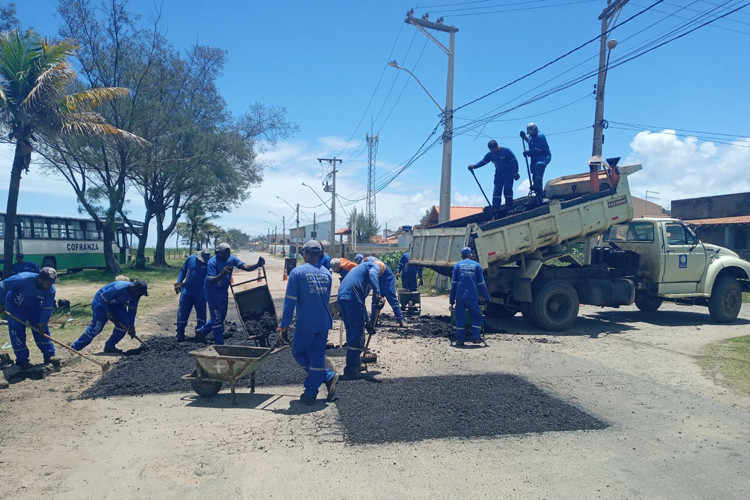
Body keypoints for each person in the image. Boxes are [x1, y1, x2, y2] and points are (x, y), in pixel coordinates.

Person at [278, 240, 338, 405]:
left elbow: (290, 301)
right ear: (319, 254)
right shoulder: (327, 273)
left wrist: (284, 324)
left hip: (306, 324)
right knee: (317, 357)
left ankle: (322, 378)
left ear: (304, 253)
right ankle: (313, 391)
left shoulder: (297, 273)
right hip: (323, 322)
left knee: (298, 353)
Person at [197, 242, 264, 345]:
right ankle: (219, 343)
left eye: (228, 254)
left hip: (223, 291)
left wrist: (257, 264)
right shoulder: (212, 262)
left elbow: (245, 267)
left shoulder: (232, 259)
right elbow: (211, 280)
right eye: (224, 254)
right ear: (218, 252)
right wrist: (222, 274)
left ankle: (202, 331)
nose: (226, 256)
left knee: (222, 315)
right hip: (212, 292)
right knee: (217, 317)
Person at [0, 267, 58, 369]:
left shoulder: (50, 290)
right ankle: (22, 361)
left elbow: (47, 308)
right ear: (40, 279)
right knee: (17, 333)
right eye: (48, 283)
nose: (50, 286)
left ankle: (49, 355)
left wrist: (43, 323)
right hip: (15, 308)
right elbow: (2, 286)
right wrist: (1, 303)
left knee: (42, 331)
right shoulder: (22, 279)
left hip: (35, 309)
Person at [71, 279, 149, 354]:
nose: (140, 295)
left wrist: (131, 326)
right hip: (101, 303)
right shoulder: (118, 288)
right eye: (141, 293)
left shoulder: (136, 295)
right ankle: (75, 348)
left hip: (116, 304)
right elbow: (103, 298)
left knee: (125, 321)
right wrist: (108, 312)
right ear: (135, 289)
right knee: (96, 328)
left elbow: (132, 310)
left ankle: (110, 346)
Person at [337, 260, 382, 379]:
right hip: (352, 298)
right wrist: (378, 293)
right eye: (380, 275)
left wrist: (367, 322)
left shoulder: (360, 276)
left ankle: (355, 363)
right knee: (357, 334)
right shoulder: (373, 267)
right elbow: (373, 274)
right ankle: (351, 369)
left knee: (352, 332)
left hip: (344, 298)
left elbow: (361, 303)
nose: (378, 277)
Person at [449, 247, 491, 347]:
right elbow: (481, 284)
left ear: (462, 256)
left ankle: (460, 339)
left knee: (460, 317)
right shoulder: (477, 266)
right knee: (476, 315)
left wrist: (451, 299)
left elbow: (453, 284)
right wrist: (487, 297)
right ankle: (475, 337)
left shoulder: (457, 266)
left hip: (460, 296)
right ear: (471, 255)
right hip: (472, 296)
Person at [468, 139, 520, 217]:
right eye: (491, 150)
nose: (493, 151)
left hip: (508, 173)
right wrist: (474, 166)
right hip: (498, 174)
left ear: (496, 146)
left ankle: (509, 206)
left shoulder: (506, 151)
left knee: (507, 189)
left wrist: (515, 172)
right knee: (496, 191)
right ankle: (496, 208)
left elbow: (514, 161)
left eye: (494, 149)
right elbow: (483, 162)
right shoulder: (490, 154)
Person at [174, 248, 211, 341]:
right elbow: (183, 271)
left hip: (201, 293)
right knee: (183, 312)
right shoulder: (190, 259)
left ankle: (200, 333)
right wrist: (178, 282)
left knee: (201, 314)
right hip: (187, 291)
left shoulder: (210, 264)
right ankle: (180, 332)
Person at [364, 257, 405, 327]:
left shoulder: (378, 264)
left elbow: (374, 277)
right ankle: (373, 321)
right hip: (379, 281)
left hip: (387, 281)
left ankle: (401, 321)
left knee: (392, 300)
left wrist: (377, 291)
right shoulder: (368, 264)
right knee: (375, 301)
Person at [520, 122, 551, 200]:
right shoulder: (531, 136)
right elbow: (530, 142)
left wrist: (528, 152)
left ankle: (537, 184)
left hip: (543, 156)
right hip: (534, 157)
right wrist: (524, 137)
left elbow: (538, 150)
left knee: (539, 165)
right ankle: (539, 196)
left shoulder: (540, 137)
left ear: (535, 129)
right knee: (534, 173)